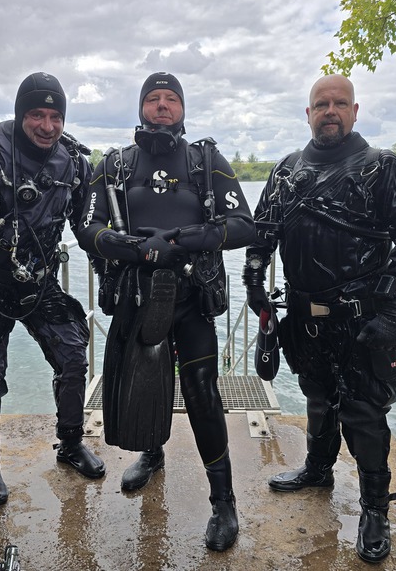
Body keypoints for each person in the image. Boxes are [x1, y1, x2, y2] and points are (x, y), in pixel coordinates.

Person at [243, 74, 396, 563]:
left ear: (354, 111)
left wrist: (394, 314)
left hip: (363, 319)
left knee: (364, 413)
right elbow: (262, 233)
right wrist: (254, 284)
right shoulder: (285, 171)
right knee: (317, 395)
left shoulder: (383, 168)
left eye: (340, 103)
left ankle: (375, 509)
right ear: (308, 114)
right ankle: (317, 469)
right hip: (305, 316)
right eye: (321, 104)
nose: (330, 111)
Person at [78, 72, 256, 551]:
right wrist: (132, 248)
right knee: (145, 382)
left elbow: (244, 224)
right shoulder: (115, 164)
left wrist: (188, 239)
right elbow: (87, 227)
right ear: (141, 108)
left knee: (201, 392)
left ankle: (223, 501)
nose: (162, 105)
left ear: (182, 109)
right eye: (153, 98)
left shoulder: (205, 161)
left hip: (191, 297)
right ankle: (152, 454)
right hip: (137, 295)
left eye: (171, 98)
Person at [0, 71, 105, 506]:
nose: (47, 126)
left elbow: (87, 231)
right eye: (36, 115)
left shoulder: (74, 163)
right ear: (19, 113)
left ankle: (70, 442)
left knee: (73, 354)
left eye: (55, 117)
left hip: (37, 281)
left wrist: (112, 276)